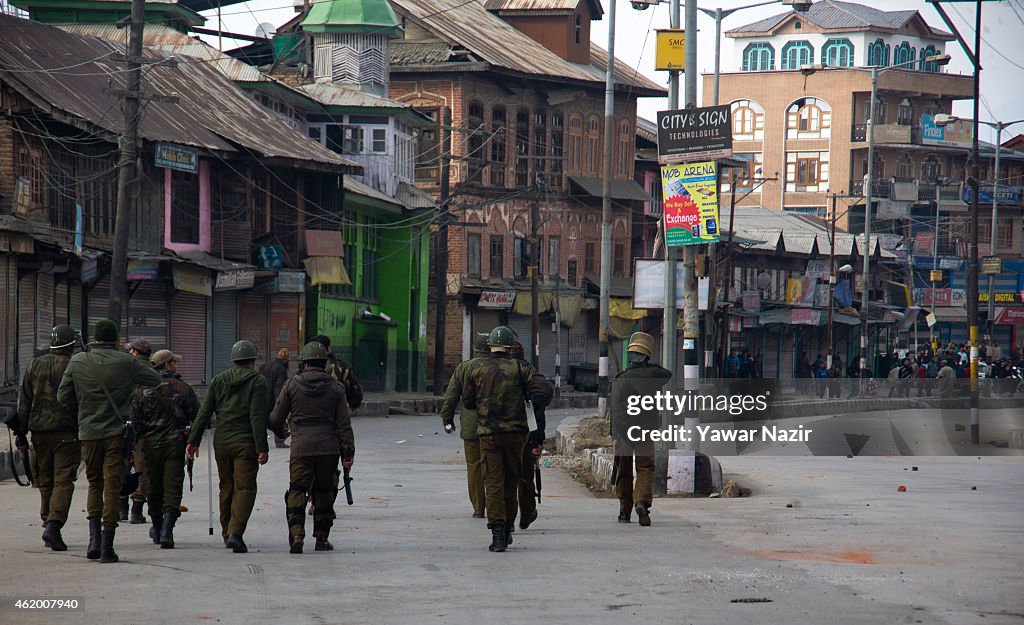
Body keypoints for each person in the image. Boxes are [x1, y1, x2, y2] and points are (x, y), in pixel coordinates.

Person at [57, 319, 161, 563]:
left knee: (95, 484)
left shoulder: (78, 360)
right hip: (116, 434)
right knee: (112, 487)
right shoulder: (127, 362)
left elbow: (63, 396)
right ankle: (107, 546)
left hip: (89, 434)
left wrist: (85, 410)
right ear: (115, 340)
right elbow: (154, 379)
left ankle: (93, 540)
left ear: (94, 338)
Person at [461, 326, 551, 552]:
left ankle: (498, 534)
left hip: (488, 436)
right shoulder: (523, 368)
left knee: (493, 483)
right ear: (511, 347)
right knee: (511, 482)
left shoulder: (476, 368)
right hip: (516, 436)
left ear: (491, 345)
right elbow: (544, 391)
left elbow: (468, 401)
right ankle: (509, 525)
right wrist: (528, 402)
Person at [269, 341, 354, 554]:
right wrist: (348, 453)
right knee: (325, 491)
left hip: (301, 447)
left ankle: (297, 534)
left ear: (304, 363)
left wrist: (282, 433)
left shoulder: (291, 385)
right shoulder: (336, 388)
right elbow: (344, 424)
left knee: (297, 490)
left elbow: (275, 417)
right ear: (324, 364)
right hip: (328, 448)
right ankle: (322, 539)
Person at [186, 340, 269, 554]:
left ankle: (226, 533)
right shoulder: (257, 381)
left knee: (227, 487)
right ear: (252, 360)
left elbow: (204, 412)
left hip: (221, 442)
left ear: (234, 360)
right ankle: (235, 532)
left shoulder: (218, 380)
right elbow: (257, 417)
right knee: (245, 488)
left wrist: (193, 441)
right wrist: (262, 446)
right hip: (245, 442)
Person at [15, 324, 80, 551]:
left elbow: (24, 402)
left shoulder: (34, 364)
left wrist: (21, 433)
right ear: (70, 344)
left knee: (45, 480)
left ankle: (46, 521)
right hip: (68, 433)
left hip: (39, 434)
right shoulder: (75, 364)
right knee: (63, 480)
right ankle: (53, 525)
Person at [131, 349, 199, 549]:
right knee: (173, 487)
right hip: (175, 445)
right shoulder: (183, 388)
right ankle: (167, 530)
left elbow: (135, 421)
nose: (176, 366)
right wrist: (192, 439)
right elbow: (198, 415)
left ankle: (158, 526)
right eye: (173, 363)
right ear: (167, 365)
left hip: (150, 446)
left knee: (153, 487)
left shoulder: (142, 390)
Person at [609, 332, 671, 526]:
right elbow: (666, 372)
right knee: (645, 468)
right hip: (645, 431)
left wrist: (618, 432)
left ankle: (623, 512)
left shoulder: (622, 378)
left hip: (624, 433)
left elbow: (616, 409)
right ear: (646, 356)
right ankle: (642, 502)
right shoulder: (654, 375)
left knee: (624, 471)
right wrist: (647, 365)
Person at [440, 333, 490, 518]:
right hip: (495, 427)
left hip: (471, 428)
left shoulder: (464, 368)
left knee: (474, 467)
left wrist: (447, 418)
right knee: (494, 466)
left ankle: (479, 507)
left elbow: (451, 396)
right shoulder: (499, 368)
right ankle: (496, 504)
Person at [508, 341, 550, 532]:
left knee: (504, 478)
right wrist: (537, 440)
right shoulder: (531, 373)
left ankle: (505, 522)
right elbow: (537, 410)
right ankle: (526, 513)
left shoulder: (496, 372)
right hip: (526, 433)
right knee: (525, 476)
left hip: (502, 433)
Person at [125, 338, 154, 525]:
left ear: (135, 352)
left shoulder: (124, 370)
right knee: (142, 470)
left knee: (122, 466)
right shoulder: (152, 373)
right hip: (145, 430)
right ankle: (137, 510)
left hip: (122, 426)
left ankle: (121, 509)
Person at [308, 335, 363, 411]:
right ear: (328, 349)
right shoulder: (341, 367)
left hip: (308, 415)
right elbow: (355, 393)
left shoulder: (304, 367)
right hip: (334, 415)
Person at [261, 348, 291, 449]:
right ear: (286, 360)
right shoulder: (281, 370)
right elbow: (279, 388)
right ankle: (280, 440)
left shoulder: (265, 366)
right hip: (273, 399)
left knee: (263, 421)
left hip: (263, 398)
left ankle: (260, 442)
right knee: (277, 420)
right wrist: (280, 402)